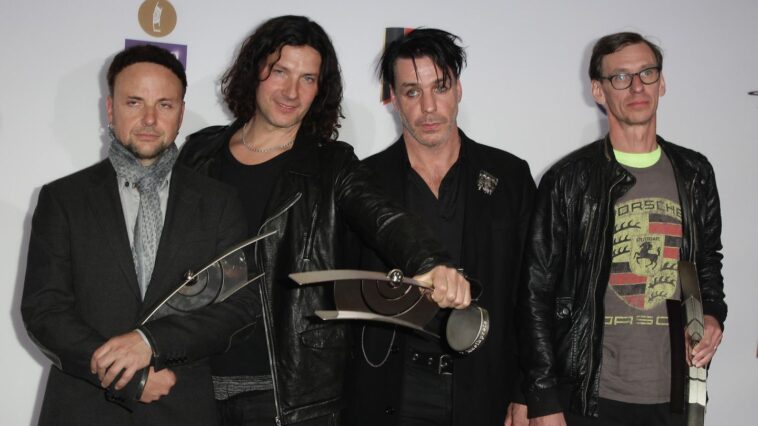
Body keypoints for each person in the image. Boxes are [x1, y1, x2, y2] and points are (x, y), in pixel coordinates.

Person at [176, 16, 471, 426]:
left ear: (320, 90)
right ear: (255, 71)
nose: (291, 92)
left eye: (308, 79)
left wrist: (431, 262)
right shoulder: (199, 153)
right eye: (280, 71)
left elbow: (385, 219)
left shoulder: (332, 164)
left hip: (290, 395)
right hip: (195, 382)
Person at [21, 44, 258, 425]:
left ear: (181, 113)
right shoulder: (62, 199)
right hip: (82, 409)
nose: (149, 118)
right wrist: (131, 379)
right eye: (134, 102)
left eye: (164, 104)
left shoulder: (219, 202)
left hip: (182, 408)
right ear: (110, 109)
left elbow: (238, 307)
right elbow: (44, 311)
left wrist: (152, 343)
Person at [518, 32, 727, 426]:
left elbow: (707, 264)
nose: (636, 86)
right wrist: (542, 396)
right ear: (598, 90)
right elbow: (535, 292)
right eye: (620, 77)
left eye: (647, 73)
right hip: (590, 395)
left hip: (674, 394)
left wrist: (713, 315)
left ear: (662, 83)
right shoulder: (568, 180)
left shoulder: (695, 173)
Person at [343, 27, 534, 426]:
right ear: (393, 98)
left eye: (440, 87)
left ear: (458, 89)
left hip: (485, 387)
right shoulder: (364, 181)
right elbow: (345, 291)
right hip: (392, 389)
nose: (428, 107)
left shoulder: (510, 177)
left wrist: (526, 390)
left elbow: (532, 294)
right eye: (412, 92)